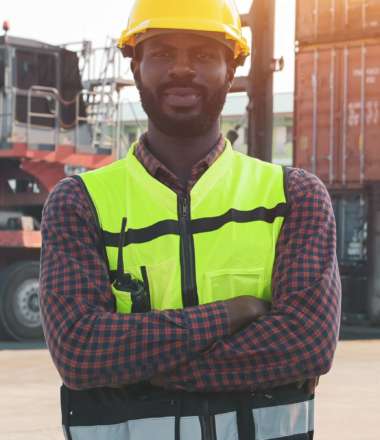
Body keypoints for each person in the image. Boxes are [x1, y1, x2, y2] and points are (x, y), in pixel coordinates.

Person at [39, 0, 341, 439]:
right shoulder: (80, 203)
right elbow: (81, 352)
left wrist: (137, 369)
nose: (182, 69)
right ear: (137, 66)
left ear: (231, 70)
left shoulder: (292, 197)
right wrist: (230, 315)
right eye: (162, 54)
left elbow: (305, 345)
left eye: (202, 54)